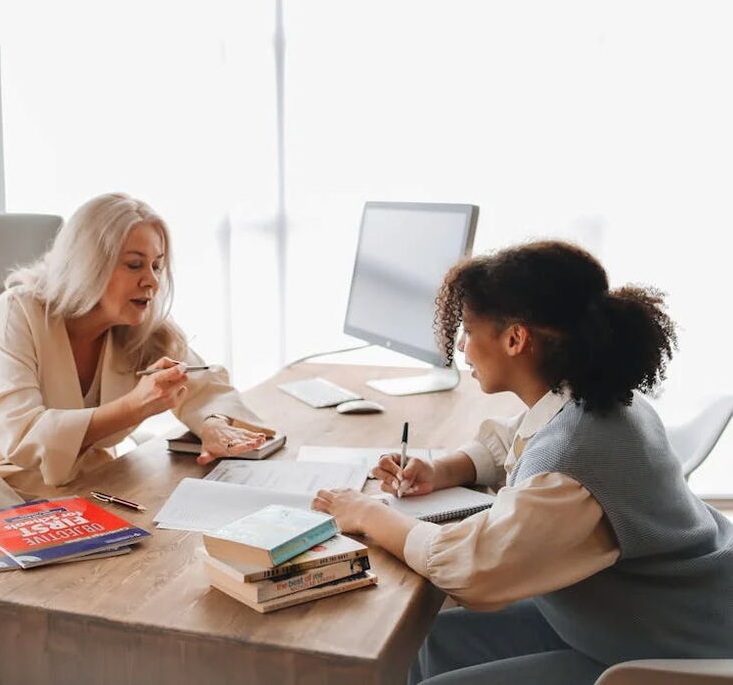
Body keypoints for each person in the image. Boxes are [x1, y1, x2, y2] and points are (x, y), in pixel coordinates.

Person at [311, 240, 733, 684]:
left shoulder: (571, 469)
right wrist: (444, 469)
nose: (461, 346)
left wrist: (365, 513)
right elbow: (522, 439)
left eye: (469, 331)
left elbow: (472, 568)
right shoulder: (598, 401)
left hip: (674, 647)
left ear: (515, 339)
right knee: (429, 637)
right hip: (652, 610)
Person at [0, 193, 271, 549]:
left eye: (157, 265)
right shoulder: (17, 313)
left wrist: (214, 424)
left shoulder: (146, 330)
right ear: (90, 262)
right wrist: (134, 407)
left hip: (87, 490)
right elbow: (23, 437)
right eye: (135, 264)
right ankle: (28, 551)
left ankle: (38, 555)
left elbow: (203, 385)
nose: (152, 281)